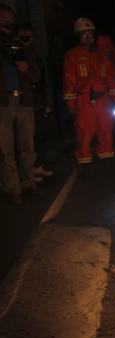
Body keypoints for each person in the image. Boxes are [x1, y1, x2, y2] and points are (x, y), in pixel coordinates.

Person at [0, 4, 42, 205]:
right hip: (3, 102)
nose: (6, 21)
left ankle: (29, 182)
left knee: (27, 146)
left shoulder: (21, 45)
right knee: (5, 149)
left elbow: (36, 74)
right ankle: (13, 190)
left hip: (24, 101)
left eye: (9, 18)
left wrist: (25, 67)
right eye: (2, 17)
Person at [63, 17, 115, 169]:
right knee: (84, 132)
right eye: (84, 34)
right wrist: (71, 103)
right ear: (78, 36)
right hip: (84, 100)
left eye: (90, 34)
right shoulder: (72, 55)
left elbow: (109, 77)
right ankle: (84, 163)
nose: (88, 37)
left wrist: (114, 97)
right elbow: (69, 80)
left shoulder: (100, 55)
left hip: (103, 99)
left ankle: (106, 160)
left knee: (106, 128)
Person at [16, 23, 54, 181]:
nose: (26, 37)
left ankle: (37, 167)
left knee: (39, 136)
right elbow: (32, 77)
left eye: (29, 34)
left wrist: (47, 101)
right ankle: (29, 171)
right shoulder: (17, 53)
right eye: (23, 34)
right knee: (29, 139)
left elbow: (40, 79)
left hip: (37, 101)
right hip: (26, 102)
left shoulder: (33, 52)